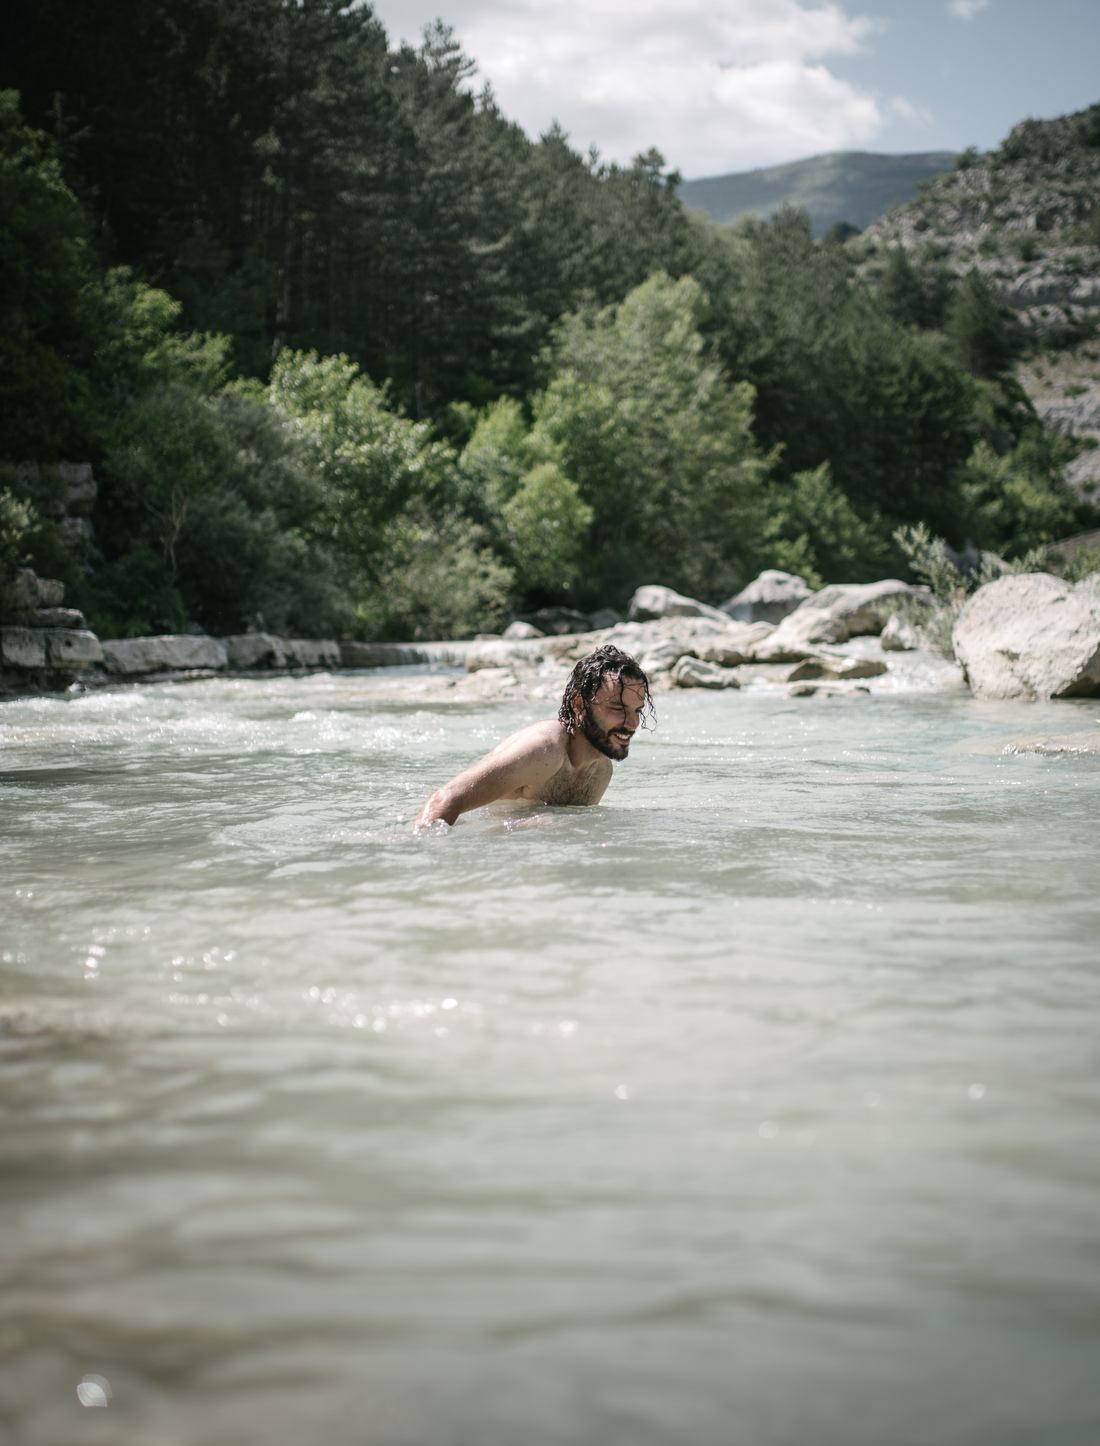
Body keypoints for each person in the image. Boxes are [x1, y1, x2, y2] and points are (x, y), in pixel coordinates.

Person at [415, 644, 652, 829]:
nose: (632, 724)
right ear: (579, 705)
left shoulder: (600, 771)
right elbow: (445, 800)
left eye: (637, 711)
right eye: (618, 709)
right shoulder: (542, 750)